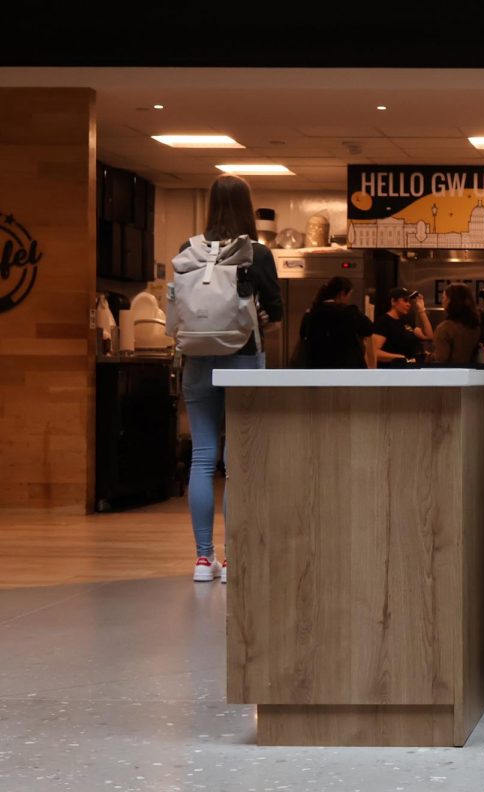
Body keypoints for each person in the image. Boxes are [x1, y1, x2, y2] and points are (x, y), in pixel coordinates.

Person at [181, 174, 283, 584]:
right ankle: (236, 556)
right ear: (247, 207)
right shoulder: (256, 252)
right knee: (237, 463)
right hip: (241, 359)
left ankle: (203, 560)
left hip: (195, 360)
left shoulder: (187, 249)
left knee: (203, 457)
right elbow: (274, 315)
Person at [298, 276, 377, 369]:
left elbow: (303, 335)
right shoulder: (348, 312)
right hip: (347, 369)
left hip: (318, 368)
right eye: (349, 295)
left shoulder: (310, 313)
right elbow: (369, 329)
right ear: (342, 294)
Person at [372, 286, 433, 366]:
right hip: (392, 372)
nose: (409, 304)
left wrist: (421, 310)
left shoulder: (406, 322)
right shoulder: (383, 322)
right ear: (393, 301)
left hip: (408, 371)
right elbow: (374, 352)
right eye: (405, 300)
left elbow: (428, 336)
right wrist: (400, 358)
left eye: (409, 301)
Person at [430, 283, 481, 364]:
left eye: (443, 298)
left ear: (450, 300)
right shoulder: (475, 327)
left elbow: (440, 360)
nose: (442, 301)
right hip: (467, 374)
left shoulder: (444, 328)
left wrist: (430, 357)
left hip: (448, 375)